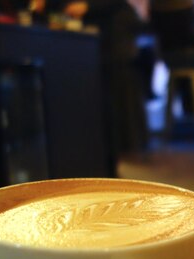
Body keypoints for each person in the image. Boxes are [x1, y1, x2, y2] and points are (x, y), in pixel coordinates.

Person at [39, 0, 151, 156]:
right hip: (82, 29)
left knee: (112, 81)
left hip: (111, 30)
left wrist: (88, 7)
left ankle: (121, 145)